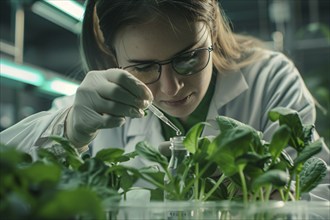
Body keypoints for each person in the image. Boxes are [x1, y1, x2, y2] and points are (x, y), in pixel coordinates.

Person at [0, 0, 329, 200]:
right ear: (113, 55)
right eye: (143, 67)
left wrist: (259, 194)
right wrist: (70, 127)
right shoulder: (101, 102)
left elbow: (320, 194)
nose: (171, 88)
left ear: (211, 28)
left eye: (189, 58)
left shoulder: (269, 79)